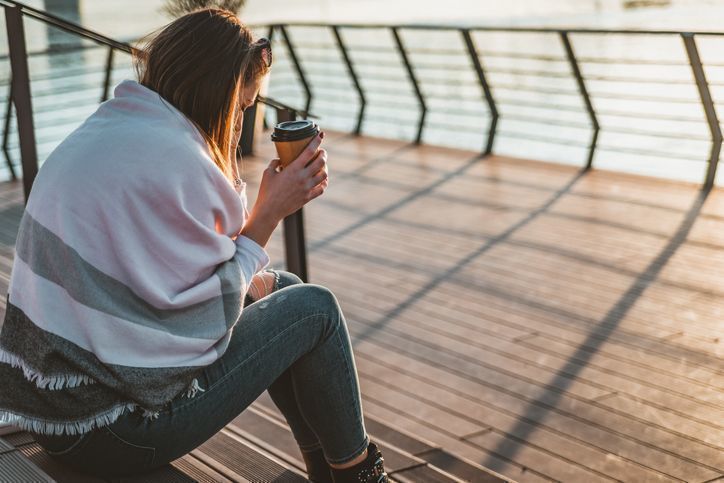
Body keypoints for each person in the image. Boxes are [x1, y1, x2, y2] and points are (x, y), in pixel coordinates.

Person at [0, 8, 388, 483]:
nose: (243, 119)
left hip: (54, 411)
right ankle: (360, 474)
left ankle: (329, 471)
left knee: (283, 286)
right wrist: (269, 212)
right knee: (314, 309)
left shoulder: (116, 125)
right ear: (220, 92)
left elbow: (177, 281)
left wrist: (258, 220)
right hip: (113, 430)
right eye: (244, 105)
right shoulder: (178, 157)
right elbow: (208, 321)